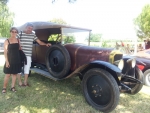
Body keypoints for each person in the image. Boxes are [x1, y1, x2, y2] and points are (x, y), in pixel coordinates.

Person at [2, 27, 21, 93]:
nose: (14, 33)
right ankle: (4, 88)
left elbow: (19, 49)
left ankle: (12, 87)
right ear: (10, 32)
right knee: (8, 74)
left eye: (15, 32)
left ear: (17, 33)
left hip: (17, 59)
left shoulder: (18, 40)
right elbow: (5, 51)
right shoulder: (7, 41)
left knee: (14, 74)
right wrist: (7, 61)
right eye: (12, 31)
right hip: (10, 59)